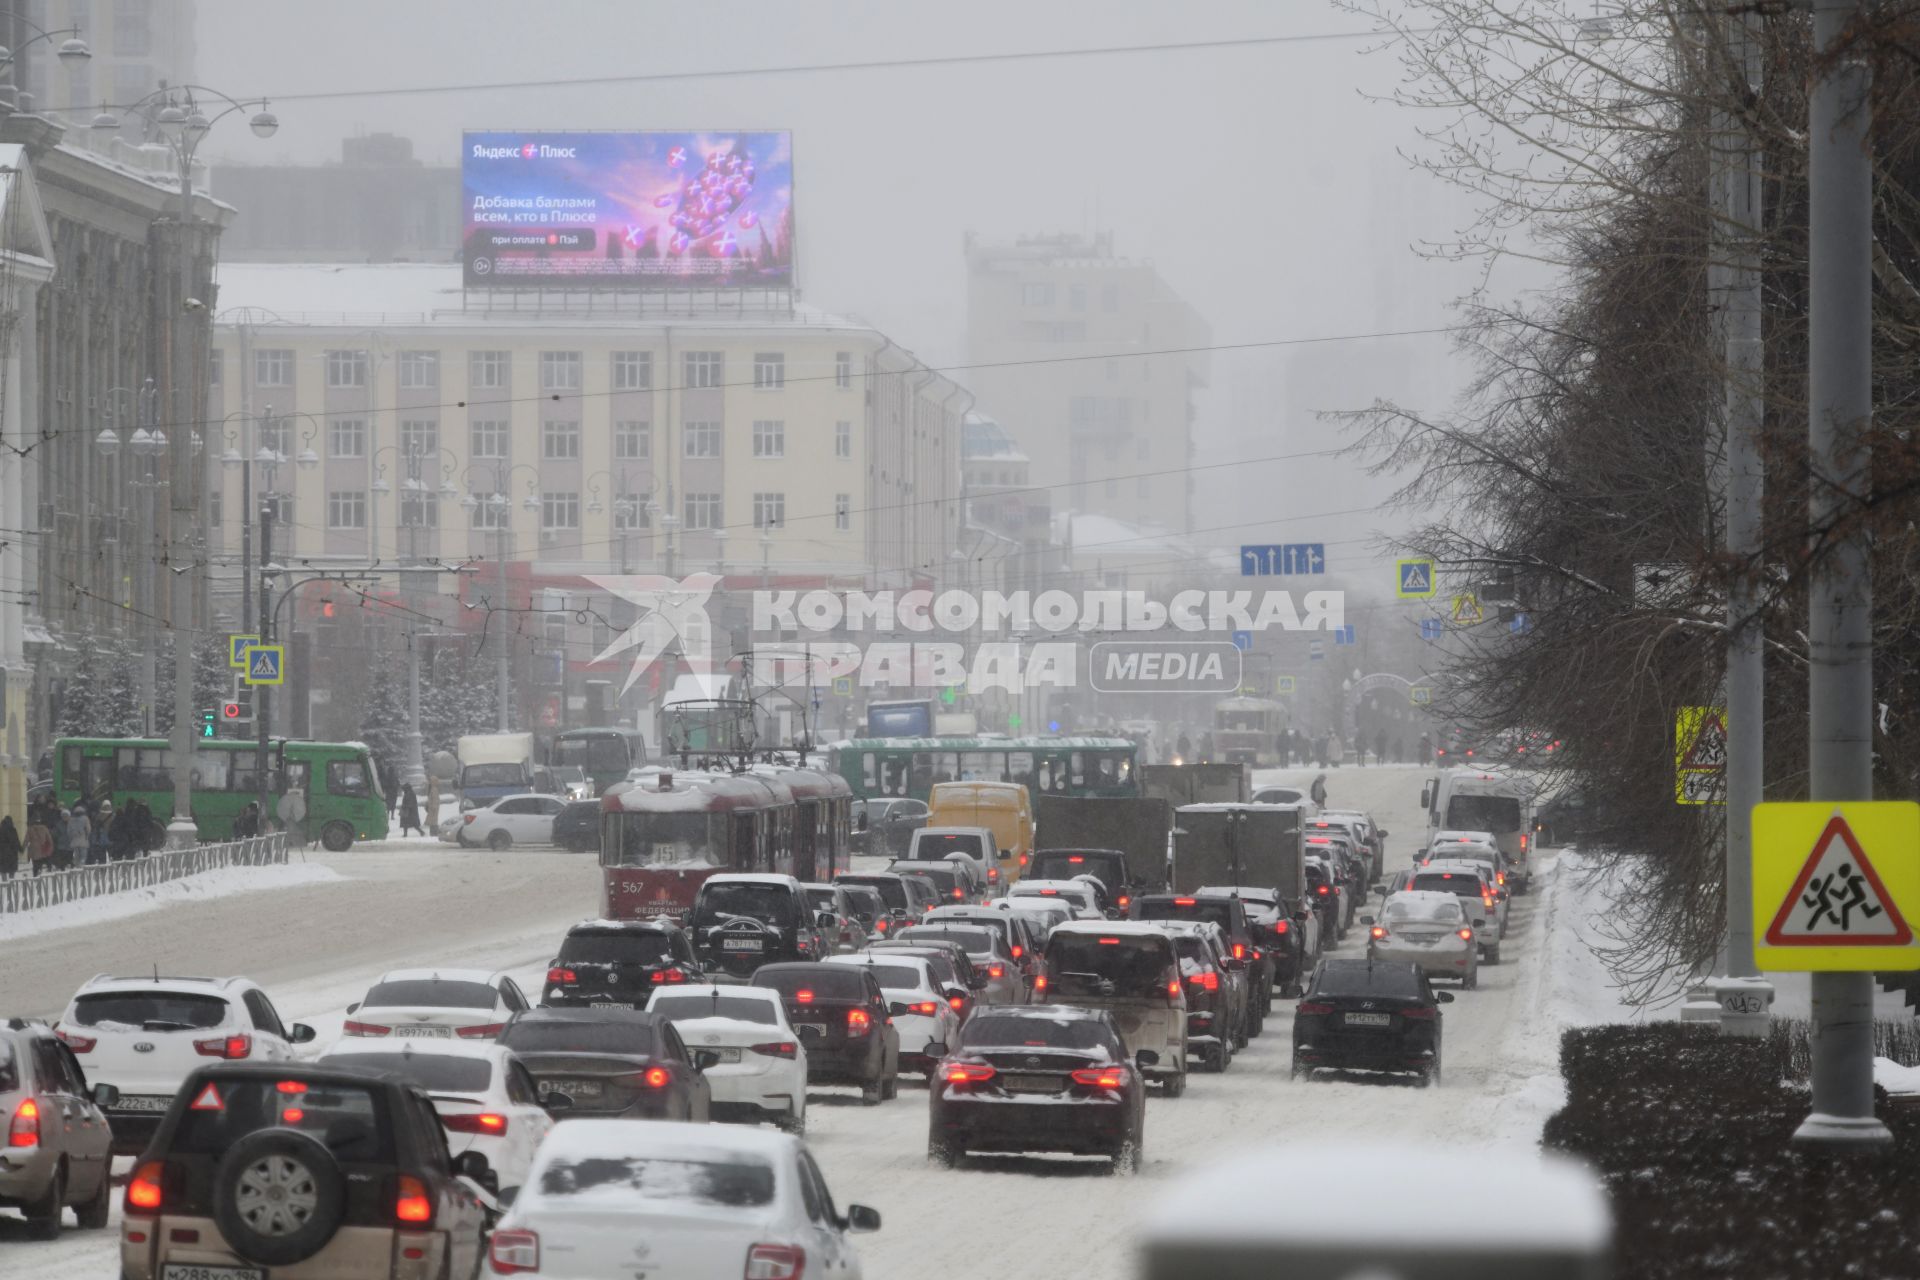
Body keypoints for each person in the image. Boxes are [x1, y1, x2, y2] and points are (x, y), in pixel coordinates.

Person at [65, 805, 90, 870]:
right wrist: (87, 835)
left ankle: (76, 865)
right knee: (83, 854)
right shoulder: (85, 818)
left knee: (76, 853)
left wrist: (71, 837)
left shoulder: (71, 820)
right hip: (83, 839)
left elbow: (68, 831)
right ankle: (82, 864)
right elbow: (88, 829)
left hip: (74, 840)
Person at [0, 815, 19, 879]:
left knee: (3, 869)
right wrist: (20, 849)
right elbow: (16, 841)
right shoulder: (13, 830)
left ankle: (4, 882)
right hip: (12, 853)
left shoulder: (1, 830)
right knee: (12, 869)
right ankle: (11, 882)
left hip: (2, 853)